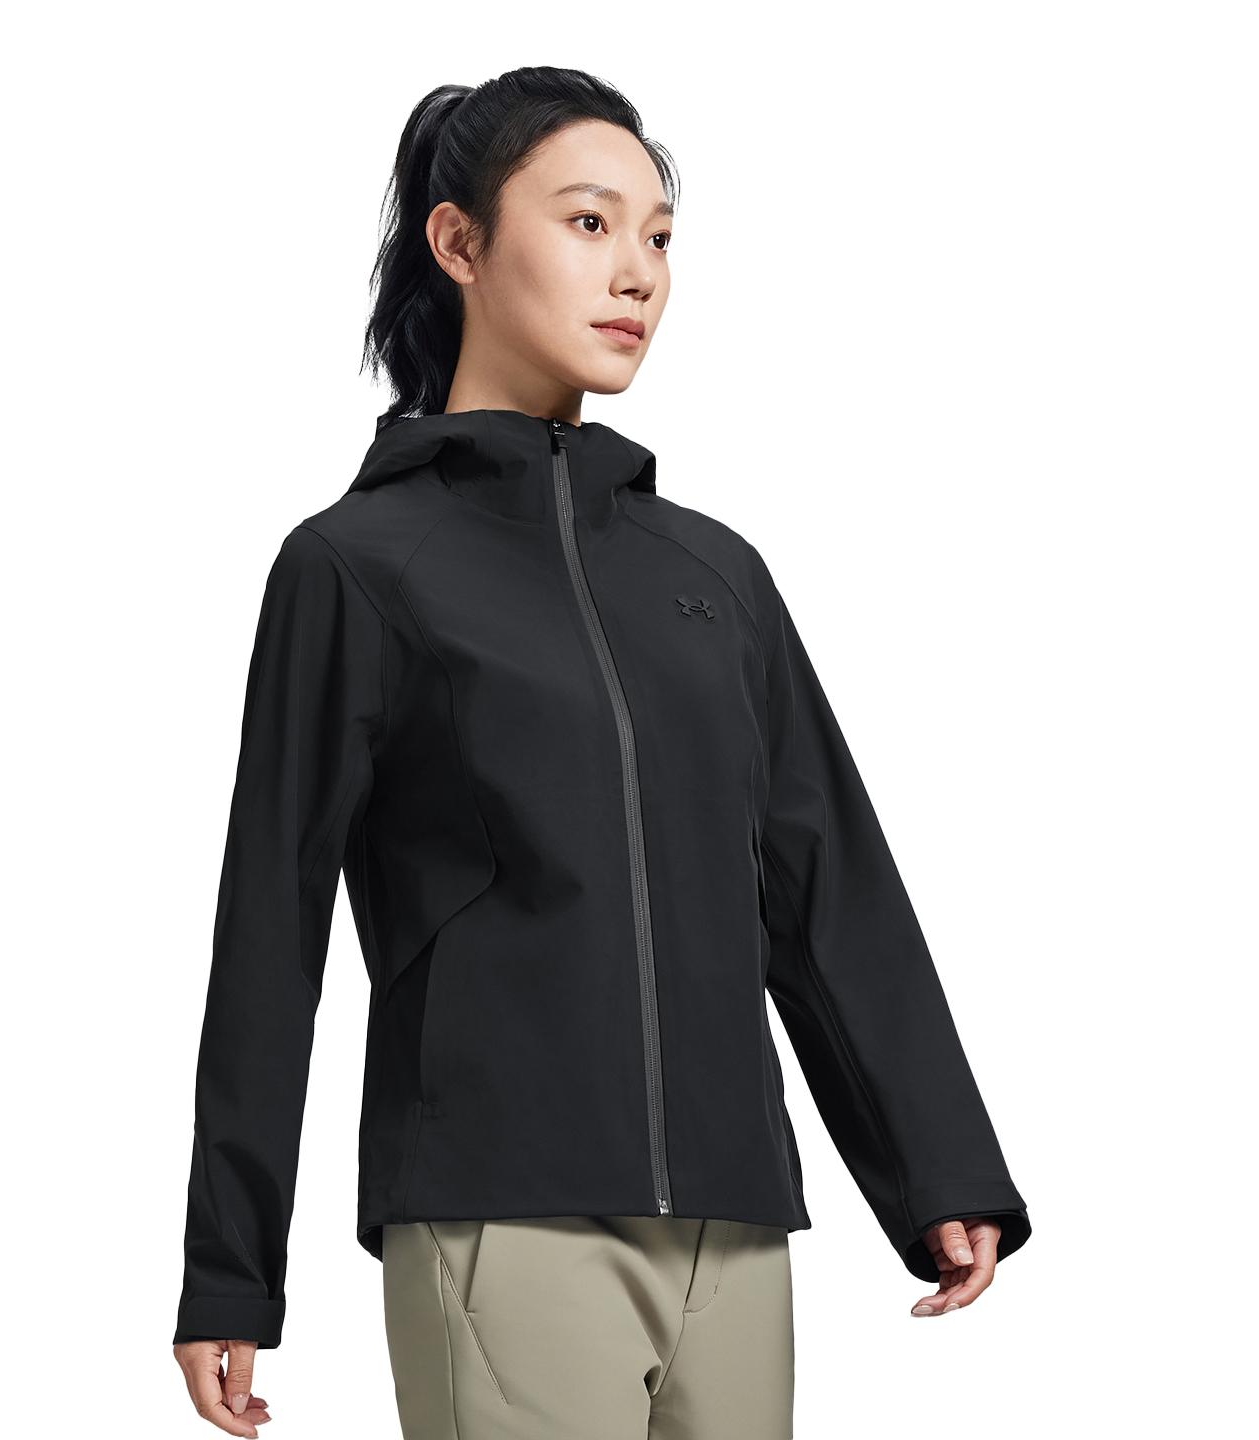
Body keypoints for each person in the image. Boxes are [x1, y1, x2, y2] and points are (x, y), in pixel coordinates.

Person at [171, 65, 1031, 1440]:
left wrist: (937, 1163)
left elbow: (824, 881)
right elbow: (270, 929)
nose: (637, 271)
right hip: (501, 1217)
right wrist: (231, 1267)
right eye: (588, 223)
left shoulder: (713, 573)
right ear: (459, 244)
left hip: (734, 1230)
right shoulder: (359, 566)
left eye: (659, 235)